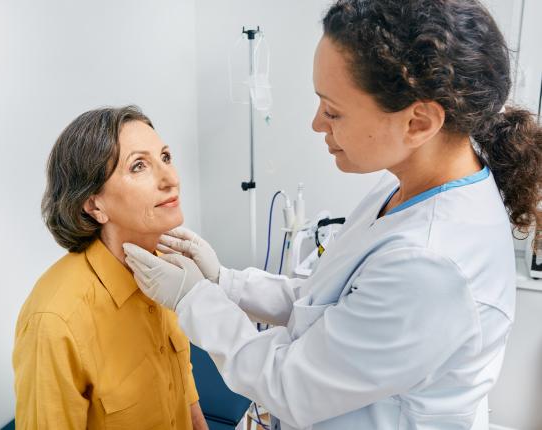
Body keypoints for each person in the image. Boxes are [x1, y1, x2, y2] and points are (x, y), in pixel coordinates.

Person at [123, 1, 542, 429]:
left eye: (333, 110)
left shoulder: (433, 264)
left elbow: (289, 385)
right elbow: (324, 302)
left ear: (418, 122)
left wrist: (195, 299)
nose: (316, 124)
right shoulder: (406, 186)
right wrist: (225, 283)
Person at [13, 106, 208, 430]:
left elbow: (184, 387)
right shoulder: (55, 321)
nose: (171, 179)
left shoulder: (161, 273)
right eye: (139, 166)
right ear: (93, 204)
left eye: (166, 157)